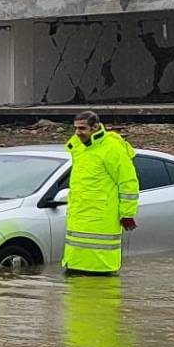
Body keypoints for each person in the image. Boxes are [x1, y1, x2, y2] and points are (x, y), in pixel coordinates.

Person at [62, 111, 139, 275]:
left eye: (82, 128)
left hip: (102, 218)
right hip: (79, 219)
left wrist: (127, 214)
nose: (77, 132)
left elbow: (128, 184)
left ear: (95, 127)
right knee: (76, 287)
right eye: (75, 128)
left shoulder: (112, 149)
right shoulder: (79, 149)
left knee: (101, 277)